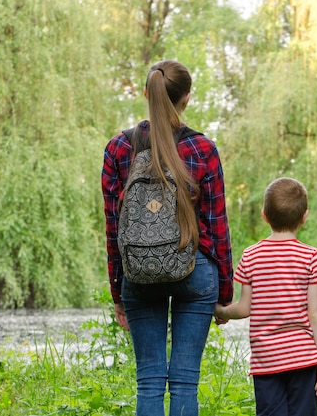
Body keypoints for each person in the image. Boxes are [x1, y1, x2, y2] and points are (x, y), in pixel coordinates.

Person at [101, 60, 233, 416]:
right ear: (186, 98)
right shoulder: (203, 149)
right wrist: (224, 292)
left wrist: (118, 290)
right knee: (185, 381)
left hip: (139, 275)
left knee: (149, 381)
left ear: (147, 94)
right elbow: (217, 227)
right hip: (195, 272)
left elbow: (115, 228)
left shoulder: (118, 148)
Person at [215, 177, 317, 416]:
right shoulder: (312, 257)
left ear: (264, 215)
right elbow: (316, 313)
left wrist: (221, 311)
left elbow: (244, 308)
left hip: (266, 360)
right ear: (304, 216)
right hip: (303, 358)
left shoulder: (251, 256)